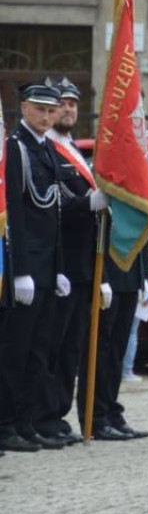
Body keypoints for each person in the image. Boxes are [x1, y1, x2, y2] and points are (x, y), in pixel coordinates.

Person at [35, 77, 111, 445]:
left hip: (84, 266)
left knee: (72, 348)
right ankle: (42, 415)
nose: (67, 110)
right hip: (60, 264)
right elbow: (52, 206)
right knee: (51, 345)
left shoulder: (75, 149)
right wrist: (87, 205)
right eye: (61, 103)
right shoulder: (45, 149)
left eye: (73, 104)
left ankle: (59, 413)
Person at [0, 80, 70, 452]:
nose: (46, 116)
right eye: (39, 109)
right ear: (24, 108)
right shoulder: (15, 148)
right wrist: (20, 270)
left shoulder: (46, 148)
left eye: (51, 110)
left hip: (46, 267)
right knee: (15, 351)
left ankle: (26, 423)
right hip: (26, 267)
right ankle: (6, 425)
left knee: (39, 351)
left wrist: (58, 269)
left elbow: (52, 214)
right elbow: (15, 213)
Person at [78, 241, 148, 441]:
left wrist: (144, 275)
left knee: (117, 352)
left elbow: (142, 234)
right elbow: (99, 236)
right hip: (108, 273)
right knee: (100, 350)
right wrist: (102, 277)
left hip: (131, 275)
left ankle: (111, 412)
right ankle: (95, 417)